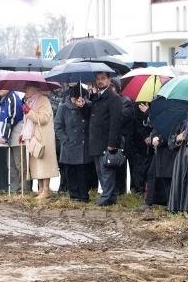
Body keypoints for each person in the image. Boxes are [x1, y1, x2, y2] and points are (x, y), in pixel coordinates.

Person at [86, 71, 123, 206]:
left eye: (103, 78)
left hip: (106, 140)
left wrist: (112, 143)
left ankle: (106, 197)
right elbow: (92, 116)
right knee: (100, 171)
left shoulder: (113, 98)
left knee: (106, 171)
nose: (100, 81)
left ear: (109, 79)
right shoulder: (96, 97)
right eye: (98, 79)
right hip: (95, 140)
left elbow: (116, 121)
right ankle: (110, 197)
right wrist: (83, 105)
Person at [53, 86, 93, 203]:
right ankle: (74, 195)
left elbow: (92, 119)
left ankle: (84, 196)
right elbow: (58, 125)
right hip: (69, 145)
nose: (76, 102)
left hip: (83, 145)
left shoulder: (88, 105)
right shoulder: (63, 108)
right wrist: (64, 140)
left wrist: (83, 107)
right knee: (70, 172)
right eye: (74, 99)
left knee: (83, 172)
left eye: (78, 99)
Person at [21, 82, 58, 200]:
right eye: (26, 88)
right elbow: (27, 122)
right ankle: (41, 189)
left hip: (43, 138)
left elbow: (43, 118)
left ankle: (46, 189)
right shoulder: (29, 101)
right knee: (37, 165)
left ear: (37, 89)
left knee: (44, 164)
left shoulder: (43, 100)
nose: (26, 90)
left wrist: (29, 112)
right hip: (33, 138)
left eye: (29, 88)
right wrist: (23, 134)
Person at [167, 104, 188, 225]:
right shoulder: (184, 124)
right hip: (182, 161)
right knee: (182, 189)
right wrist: (178, 138)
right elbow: (170, 144)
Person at [0, 87, 27, 193]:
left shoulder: (12, 98)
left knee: (20, 163)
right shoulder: (4, 99)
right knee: (12, 164)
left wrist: (5, 136)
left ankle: (24, 189)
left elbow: (11, 118)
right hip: (10, 135)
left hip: (16, 133)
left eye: (1, 87)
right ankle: (15, 190)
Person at [110, 77, 134, 195]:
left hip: (123, 139)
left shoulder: (125, 101)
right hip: (110, 138)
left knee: (120, 166)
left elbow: (121, 118)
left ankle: (121, 191)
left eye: (112, 87)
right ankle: (111, 190)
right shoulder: (106, 100)